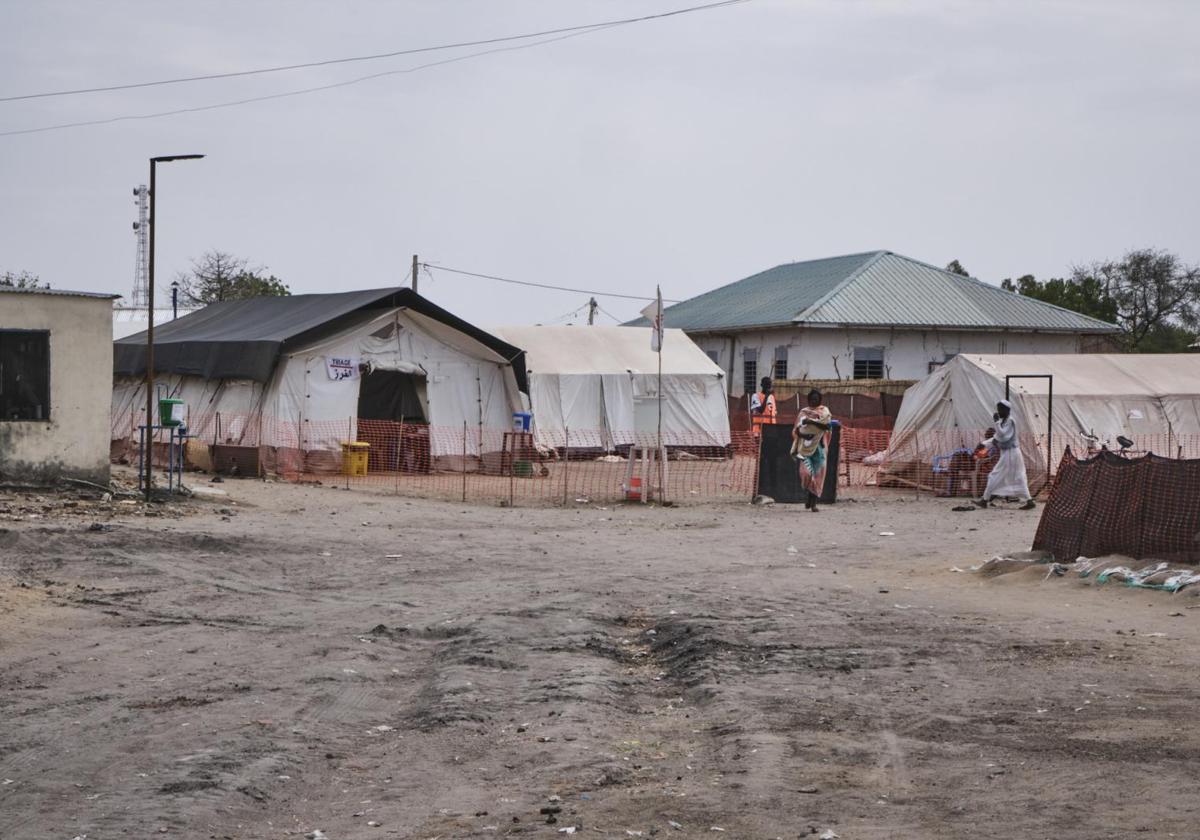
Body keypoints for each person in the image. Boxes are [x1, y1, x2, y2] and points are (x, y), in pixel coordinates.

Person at [975, 399, 1036, 510]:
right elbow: (997, 438)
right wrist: (983, 444)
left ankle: (985, 500)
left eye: (1001, 409)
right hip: (1011, 453)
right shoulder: (1004, 421)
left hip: (1010, 453)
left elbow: (1002, 435)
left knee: (994, 475)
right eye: (998, 409)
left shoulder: (1009, 421)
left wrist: (996, 422)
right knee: (1019, 476)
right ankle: (1029, 500)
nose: (999, 411)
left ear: (1007, 410)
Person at [792, 388, 832, 512]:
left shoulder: (824, 412)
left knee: (818, 476)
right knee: (806, 473)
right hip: (805, 449)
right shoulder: (803, 412)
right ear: (808, 400)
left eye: (816, 399)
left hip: (819, 449)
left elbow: (827, 426)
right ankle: (809, 495)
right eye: (811, 399)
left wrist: (811, 422)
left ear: (820, 400)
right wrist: (804, 436)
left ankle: (813, 502)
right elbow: (796, 430)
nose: (813, 401)